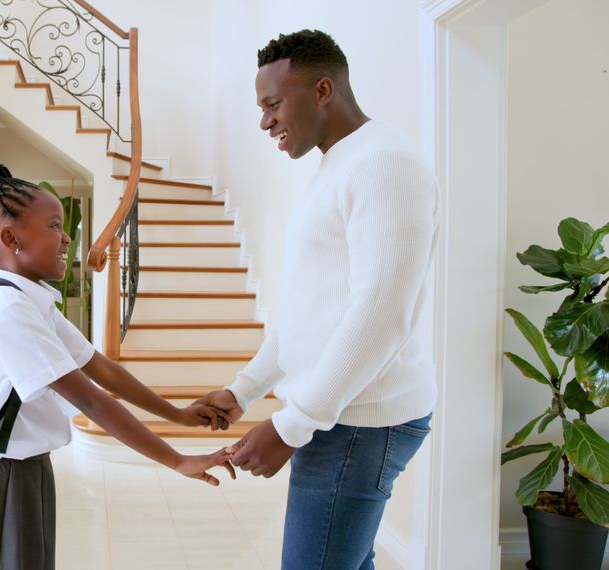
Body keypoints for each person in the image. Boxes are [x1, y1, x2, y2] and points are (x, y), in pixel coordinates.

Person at [195, 29, 439, 570]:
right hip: (341, 416)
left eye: (273, 104)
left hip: (358, 423)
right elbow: (306, 313)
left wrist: (290, 424)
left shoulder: (384, 164)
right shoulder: (341, 165)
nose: (265, 122)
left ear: (323, 90)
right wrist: (244, 391)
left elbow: (380, 315)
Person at [0, 159, 235, 570]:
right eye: (54, 226)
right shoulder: (8, 312)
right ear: (11, 238)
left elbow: (103, 369)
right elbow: (93, 402)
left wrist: (180, 416)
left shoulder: (29, 301)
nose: (67, 239)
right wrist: (178, 460)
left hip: (24, 470)